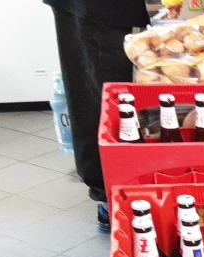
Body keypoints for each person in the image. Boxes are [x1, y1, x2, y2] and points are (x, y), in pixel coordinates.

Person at [44, 0, 150, 232]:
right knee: (100, 98)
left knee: (103, 92)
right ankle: (109, 196)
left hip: (103, 10)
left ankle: (115, 188)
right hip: (97, 9)